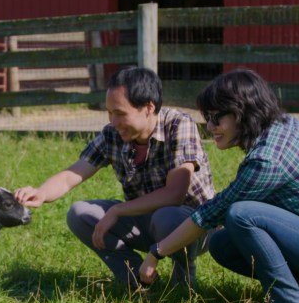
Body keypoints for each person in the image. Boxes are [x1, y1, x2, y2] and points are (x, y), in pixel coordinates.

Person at [139, 68, 299, 303]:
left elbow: (212, 213)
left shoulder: (267, 159)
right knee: (222, 244)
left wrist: (156, 252)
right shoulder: (284, 127)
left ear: (240, 114)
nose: (209, 127)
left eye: (214, 118)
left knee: (241, 215)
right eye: (206, 118)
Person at [14, 67, 216, 291]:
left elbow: (175, 194)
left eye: (120, 113)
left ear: (148, 107)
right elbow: (74, 173)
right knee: (80, 215)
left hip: (194, 225)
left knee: (167, 216)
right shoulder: (113, 134)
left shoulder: (179, 125)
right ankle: (138, 280)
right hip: (145, 219)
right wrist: (41, 193)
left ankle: (183, 283)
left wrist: (118, 210)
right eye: (109, 112)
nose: (113, 121)